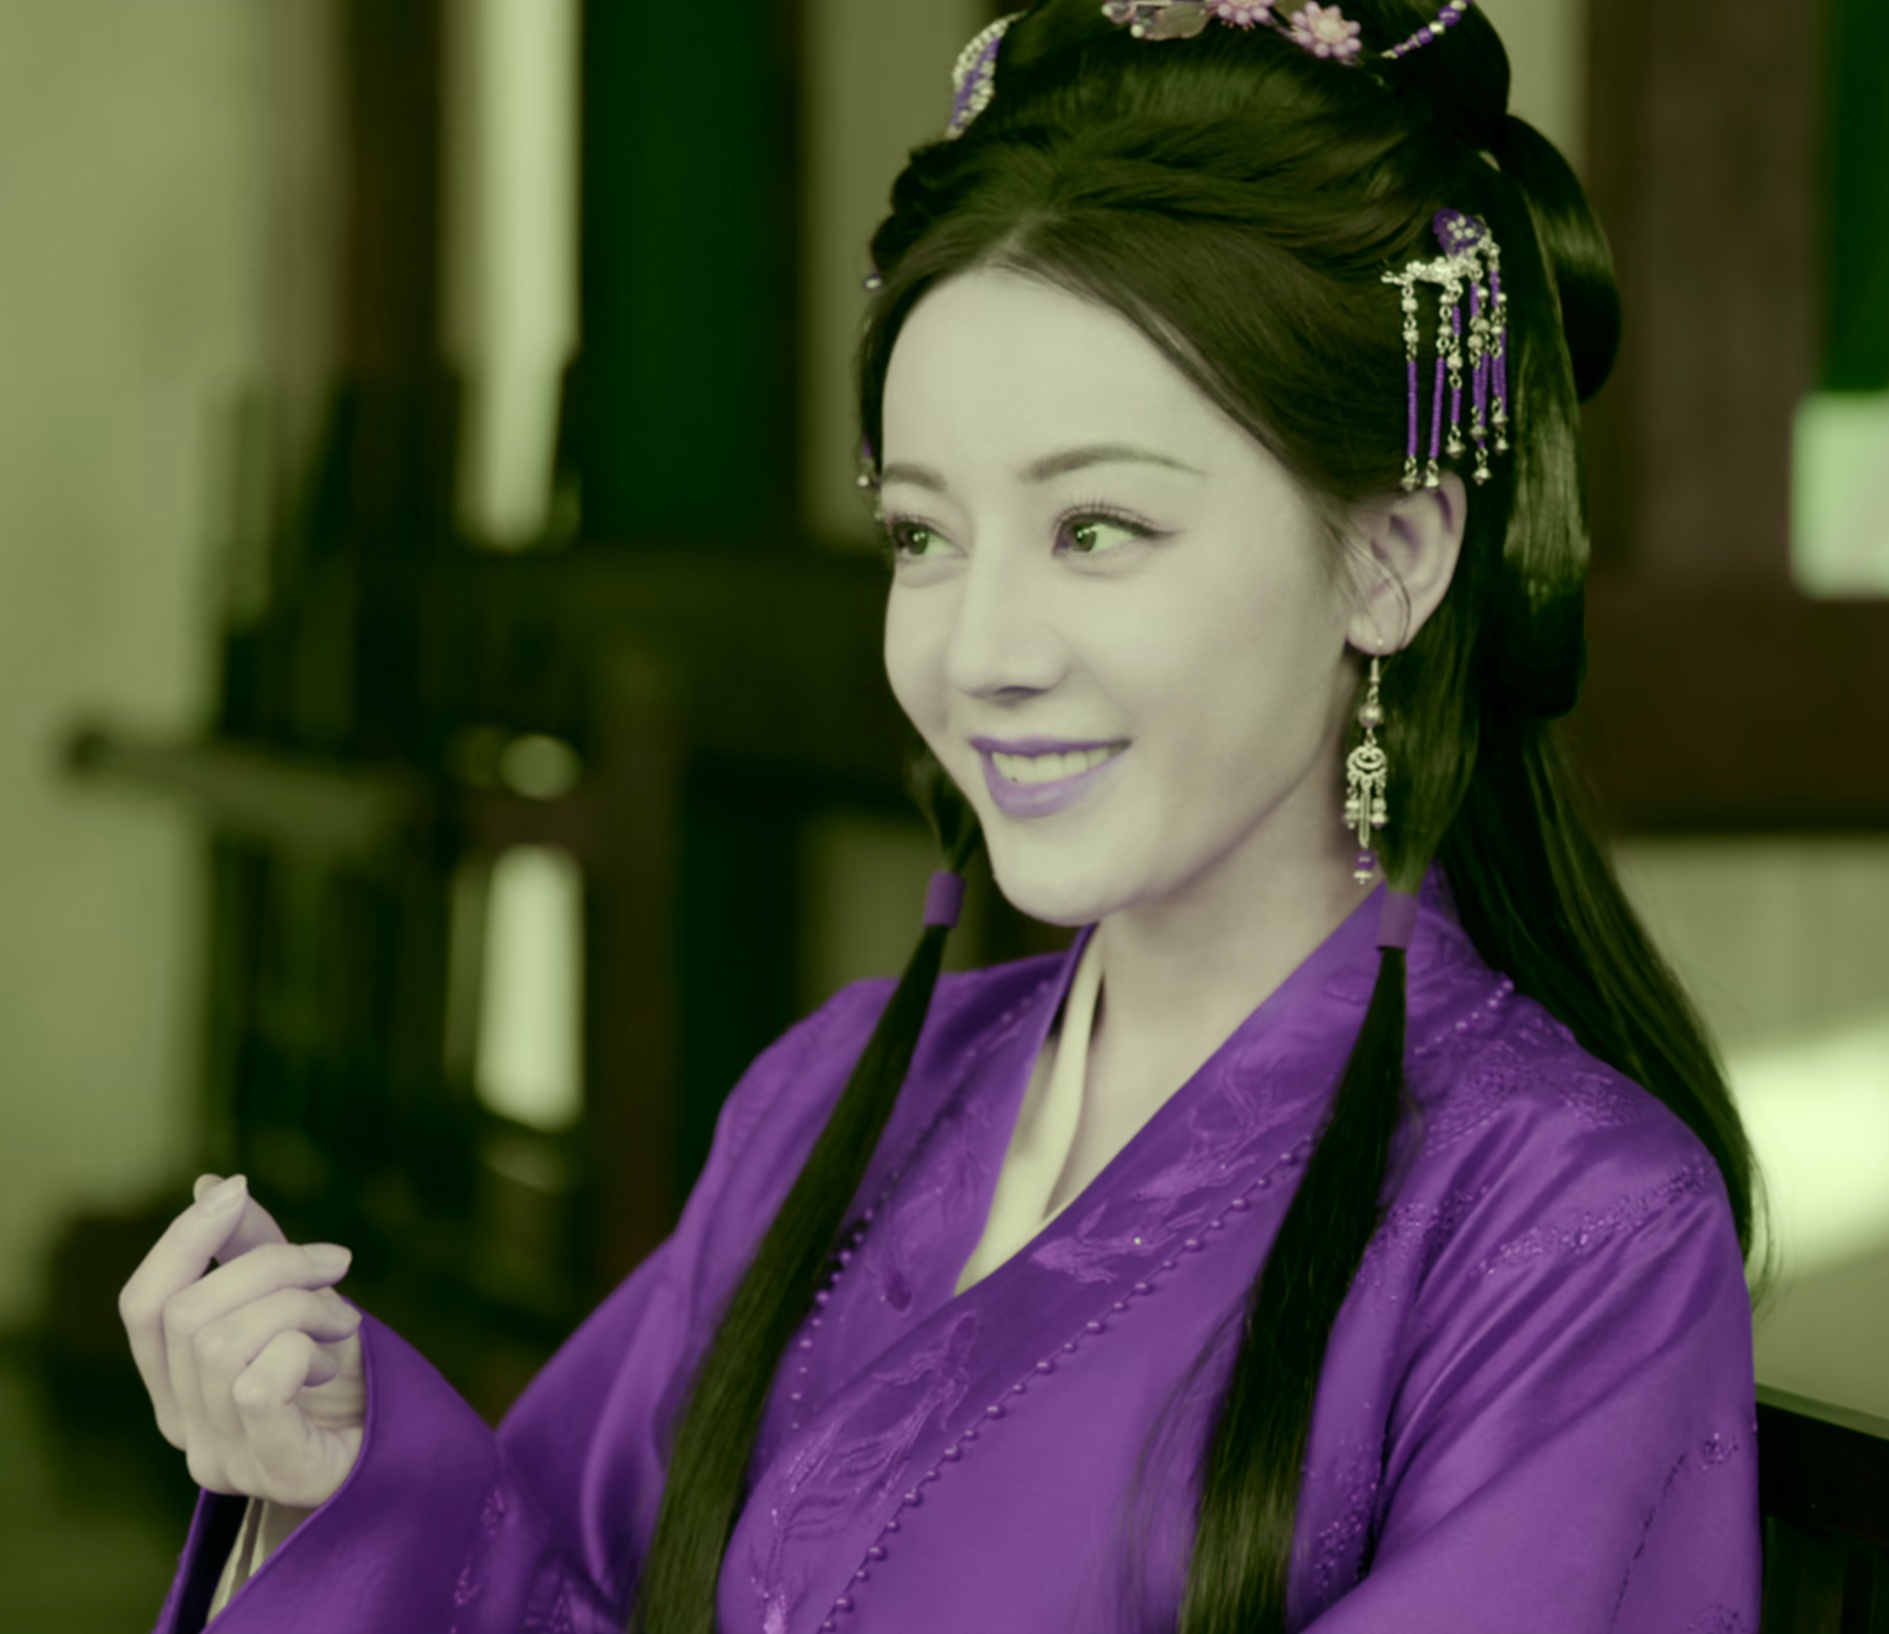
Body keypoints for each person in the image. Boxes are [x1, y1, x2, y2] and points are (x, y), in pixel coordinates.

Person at [124, 2, 1764, 1627]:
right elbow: (553, 1584)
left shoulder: (1571, 1228)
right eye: (923, 536)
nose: (980, 653)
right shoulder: (838, 1095)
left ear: (1392, 557)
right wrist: (340, 1485)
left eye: (1096, 528)